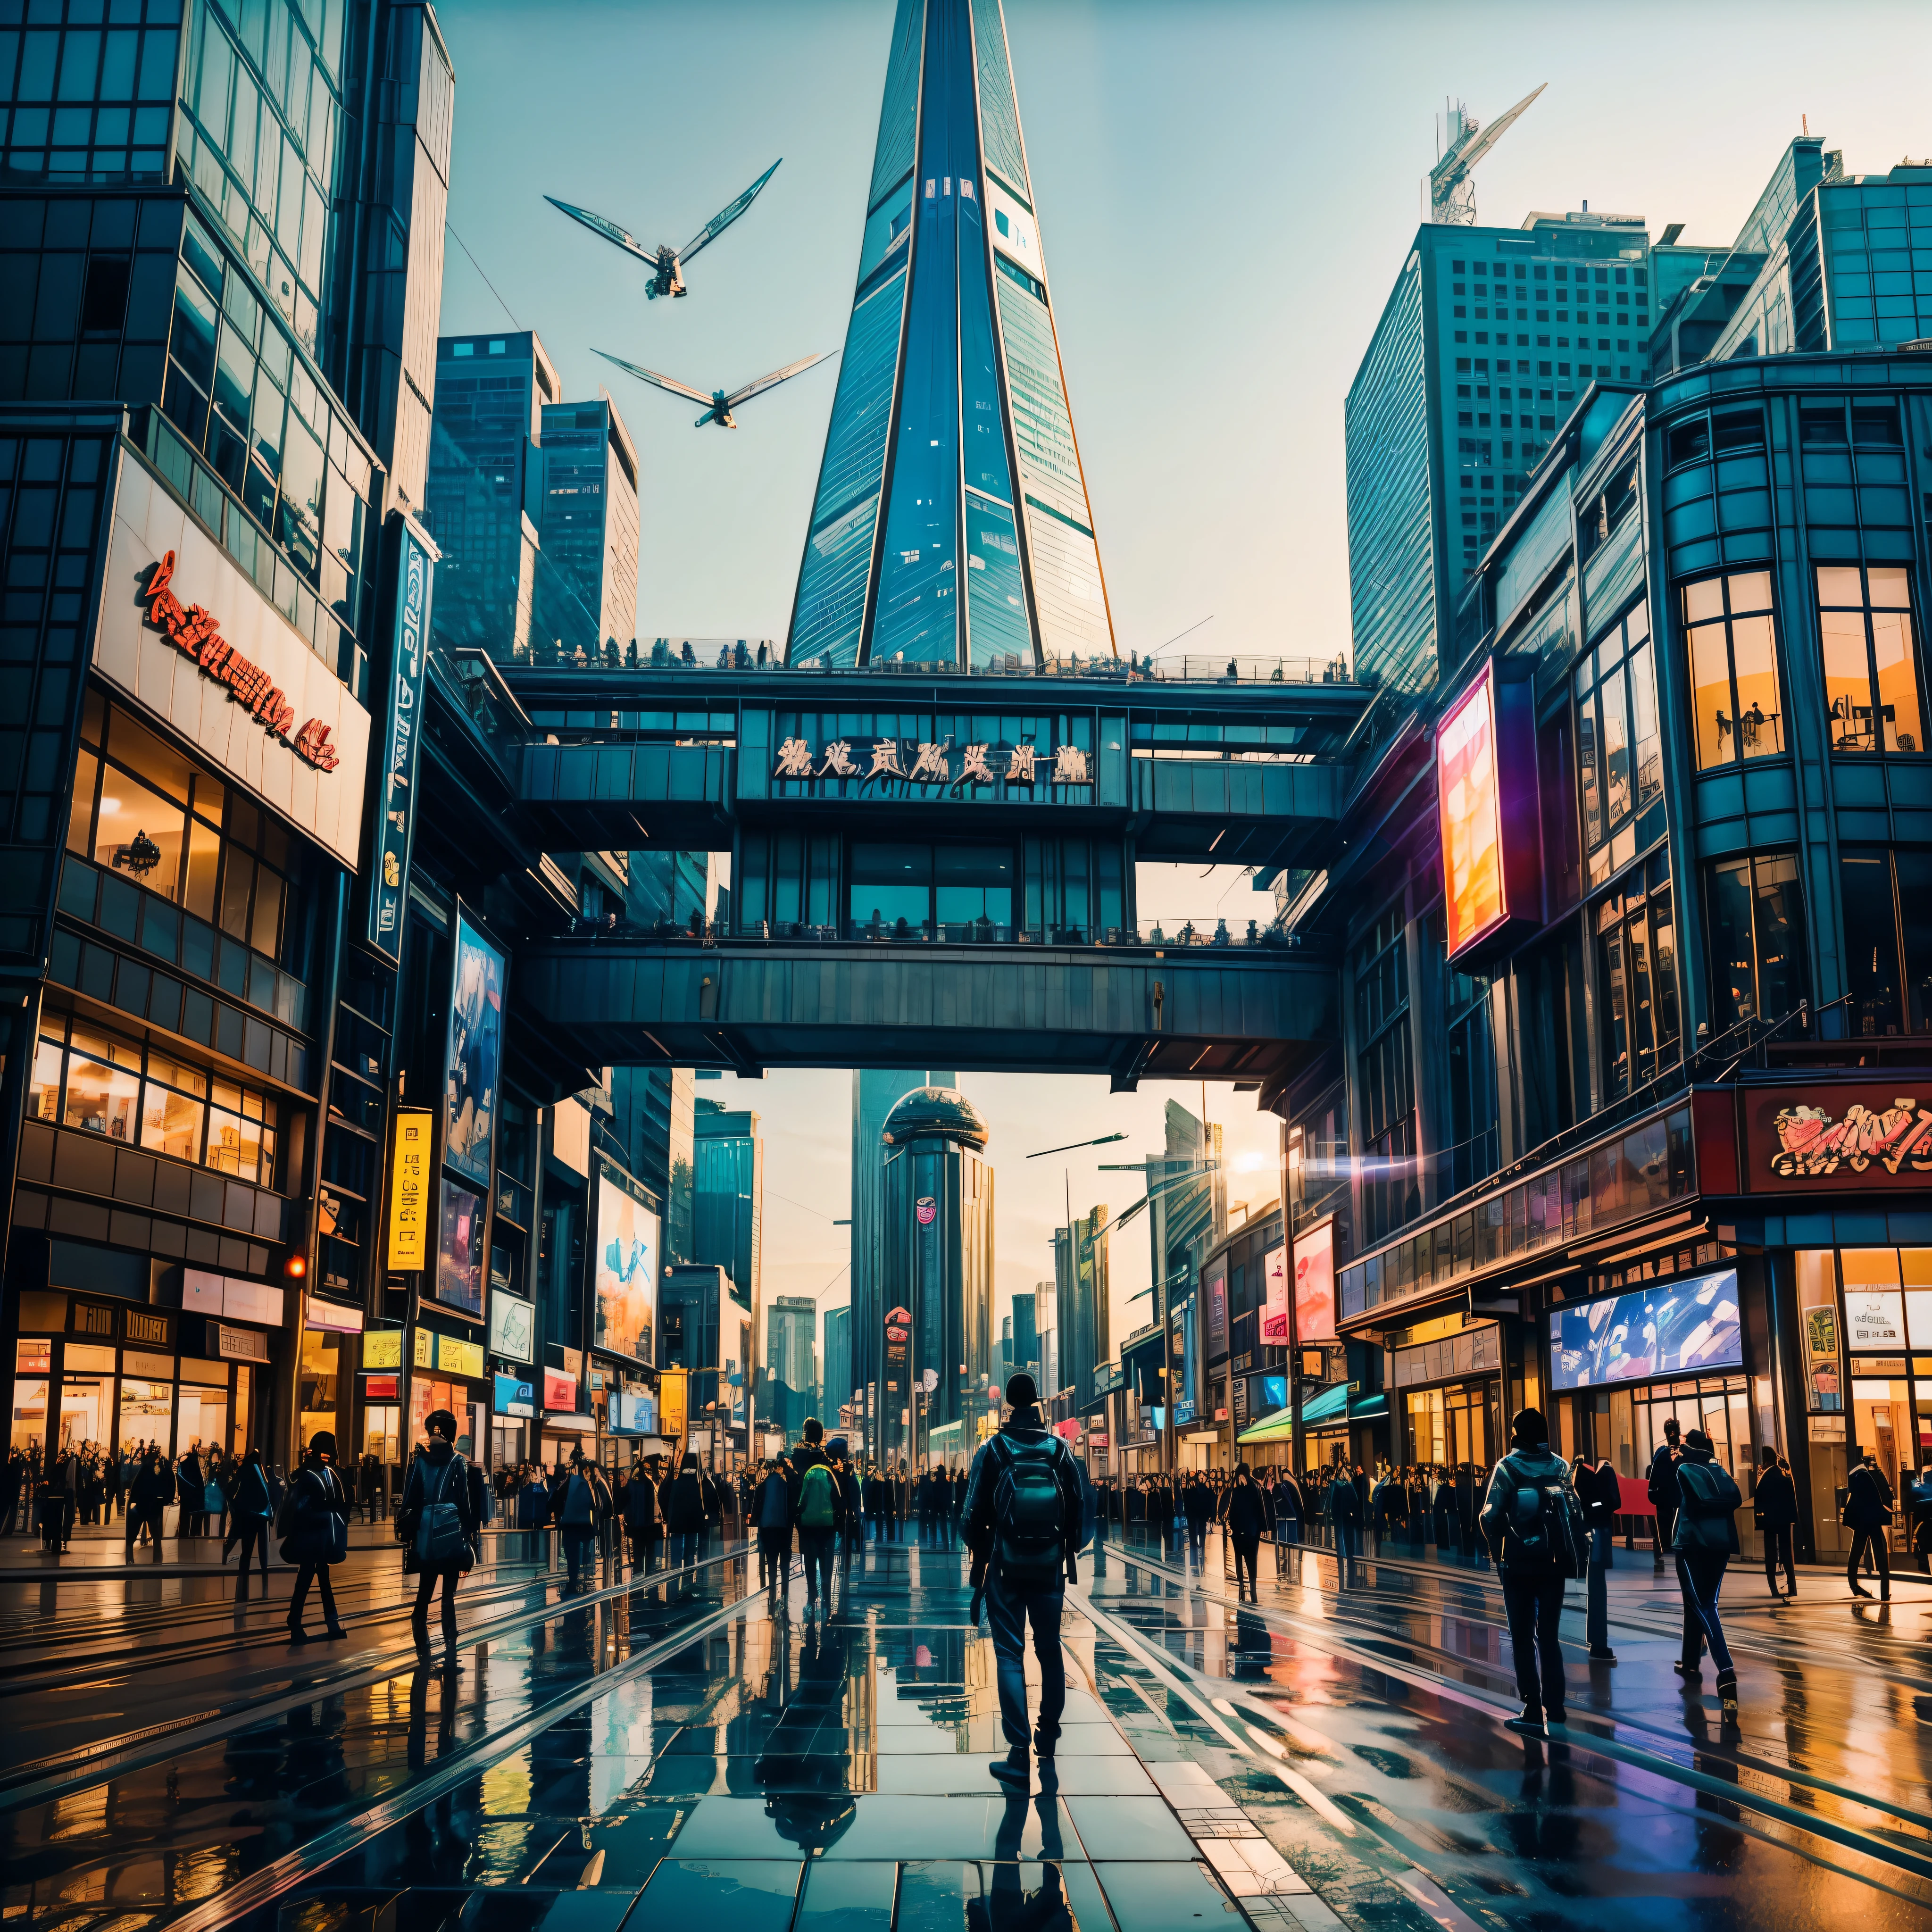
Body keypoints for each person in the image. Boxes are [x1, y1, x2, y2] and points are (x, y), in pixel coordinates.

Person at [964, 1374, 1086, 1790]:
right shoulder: (1059, 1449)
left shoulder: (994, 1448)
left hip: (1005, 1567)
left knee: (1010, 1655)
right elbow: (1082, 1512)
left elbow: (969, 1516)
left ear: (1007, 1406)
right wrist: (1064, 1546)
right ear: (1036, 1402)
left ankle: (1018, 1754)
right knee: (1050, 1650)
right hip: (1050, 1567)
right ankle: (1047, 1738)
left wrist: (985, 1551)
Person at [1480, 1408, 1583, 1732]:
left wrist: (1498, 1547)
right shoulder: (1562, 1466)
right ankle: (1556, 1707)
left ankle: (1531, 1708)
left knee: (1522, 1637)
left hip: (1519, 1565)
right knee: (1549, 1637)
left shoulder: (1507, 1468)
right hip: (1555, 1562)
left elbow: (1490, 1516)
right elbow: (1574, 1508)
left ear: (1517, 1434)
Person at [398, 1411, 482, 1654]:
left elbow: (410, 1498)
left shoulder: (421, 1461)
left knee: (425, 1591)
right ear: (451, 1434)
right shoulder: (457, 1462)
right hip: (451, 1535)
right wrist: (471, 1535)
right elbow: (464, 1503)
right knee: (448, 1596)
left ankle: (421, 1641)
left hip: (426, 1535)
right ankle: (450, 1645)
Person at [1672, 1428, 1743, 1704]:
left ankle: (1726, 1671)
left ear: (1691, 1448)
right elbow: (1734, 1499)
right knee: (1700, 1602)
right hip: (1722, 1544)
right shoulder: (1720, 1471)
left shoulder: (1684, 1468)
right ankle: (1690, 1662)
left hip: (1692, 1543)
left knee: (1702, 1606)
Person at [284, 1432, 350, 1643]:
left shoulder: (321, 1472)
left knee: (316, 1579)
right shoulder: (311, 1474)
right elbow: (300, 1506)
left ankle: (302, 1621)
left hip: (319, 1536)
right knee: (312, 1579)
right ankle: (309, 1622)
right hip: (312, 1536)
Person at [1575, 1452, 1621, 1662]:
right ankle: (1598, 1642)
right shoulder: (1606, 1471)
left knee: (1595, 1586)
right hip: (1600, 1532)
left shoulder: (1579, 1472)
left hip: (1591, 1531)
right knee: (1597, 1587)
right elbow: (1614, 1501)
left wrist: (1590, 1507)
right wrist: (1597, 1507)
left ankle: (1596, 1640)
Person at [793, 1439, 843, 1612]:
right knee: (826, 1560)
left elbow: (802, 1501)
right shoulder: (830, 1474)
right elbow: (837, 1500)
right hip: (828, 1526)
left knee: (810, 1559)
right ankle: (827, 1593)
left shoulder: (808, 1474)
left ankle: (812, 1592)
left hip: (809, 1526)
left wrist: (798, 1519)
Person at [552, 1448, 610, 1593]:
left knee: (573, 1555)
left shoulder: (568, 1474)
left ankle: (574, 1582)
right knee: (585, 1554)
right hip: (585, 1523)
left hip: (571, 1523)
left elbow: (557, 1496)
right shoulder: (589, 1473)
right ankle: (584, 1580)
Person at [1843, 1449, 1894, 1601]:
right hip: (1874, 1522)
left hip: (1861, 1523)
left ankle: (1854, 1587)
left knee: (1856, 1554)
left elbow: (1854, 1501)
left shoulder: (1857, 1477)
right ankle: (1884, 1594)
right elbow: (1884, 1498)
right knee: (1881, 1557)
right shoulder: (1869, 1477)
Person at [229, 1447, 275, 1600]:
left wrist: (236, 1506)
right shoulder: (259, 1472)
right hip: (261, 1517)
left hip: (248, 1516)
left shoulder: (245, 1471)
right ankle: (263, 1576)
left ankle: (243, 1582)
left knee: (247, 1551)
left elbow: (233, 1490)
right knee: (262, 1550)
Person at [1752, 1447, 1798, 1599]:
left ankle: (1774, 1588)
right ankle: (1792, 1586)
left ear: (1764, 1461)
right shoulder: (1782, 1475)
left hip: (1770, 1521)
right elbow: (1791, 1498)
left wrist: (1759, 1519)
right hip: (1784, 1520)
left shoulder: (1765, 1477)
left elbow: (1760, 1501)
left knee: (1771, 1555)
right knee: (1787, 1553)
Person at [1223, 1462, 1272, 1599]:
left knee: (1249, 1560)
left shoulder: (1251, 1489)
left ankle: (1250, 1587)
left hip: (1248, 1532)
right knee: (1244, 1559)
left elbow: (1258, 1508)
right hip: (1243, 1532)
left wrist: (1262, 1528)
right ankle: (1244, 1586)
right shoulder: (1243, 1489)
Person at [1647, 1418, 1683, 1571]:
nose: (1672, 1434)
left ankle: (1664, 1558)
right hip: (1669, 1501)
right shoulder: (1662, 1454)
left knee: (1672, 1536)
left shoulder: (1682, 1453)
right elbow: (1653, 1478)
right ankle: (1661, 1560)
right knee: (1665, 1535)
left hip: (1677, 1501)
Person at [753, 1458, 794, 1591]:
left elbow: (757, 1509)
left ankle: (772, 1587)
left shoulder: (762, 1486)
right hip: (784, 1527)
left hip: (767, 1527)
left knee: (771, 1559)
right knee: (784, 1560)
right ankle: (785, 1589)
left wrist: (754, 1521)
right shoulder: (786, 1486)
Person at [666, 1452, 711, 1569]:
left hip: (677, 1525)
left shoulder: (676, 1484)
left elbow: (670, 1502)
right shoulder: (698, 1485)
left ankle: (674, 1580)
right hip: (693, 1525)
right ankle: (688, 1580)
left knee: (676, 1556)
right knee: (690, 1555)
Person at [623, 1455, 662, 1574]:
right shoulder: (650, 1485)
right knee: (650, 1558)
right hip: (649, 1527)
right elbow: (654, 1507)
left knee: (638, 1556)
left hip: (636, 1527)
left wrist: (629, 1523)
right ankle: (650, 1579)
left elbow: (626, 1506)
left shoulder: (630, 1485)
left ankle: (638, 1579)